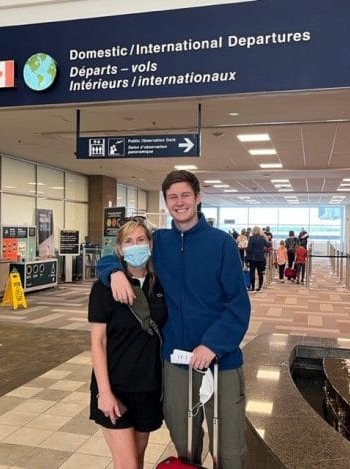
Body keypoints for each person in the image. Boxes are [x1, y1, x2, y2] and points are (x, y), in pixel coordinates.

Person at [97, 170, 251, 469]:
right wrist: (112, 272)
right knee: (185, 443)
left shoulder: (221, 244)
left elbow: (238, 305)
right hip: (177, 362)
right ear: (166, 202)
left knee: (228, 448)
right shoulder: (160, 242)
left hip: (221, 361)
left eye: (185, 195)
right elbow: (117, 253)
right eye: (172, 197)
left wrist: (212, 345)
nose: (179, 202)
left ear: (197, 198)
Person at [89, 220, 167, 469]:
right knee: (128, 464)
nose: (136, 246)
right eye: (129, 241)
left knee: (138, 459)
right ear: (120, 249)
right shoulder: (104, 287)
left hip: (148, 387)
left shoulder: (160, 284)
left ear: (150, 244)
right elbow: (98, 342)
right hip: (115, 387)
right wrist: (105, 392)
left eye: (141, 240)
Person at [245, 226, 271, 292]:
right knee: (260, 273)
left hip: (252, 258)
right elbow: (268, 245)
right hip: (261, 258)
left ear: (253, 231)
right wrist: (266, 237)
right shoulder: (262, 238)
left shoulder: (251, 238)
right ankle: (259, 287)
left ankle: (253, 287)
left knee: (252, 273)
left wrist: (246, 249)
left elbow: (249, 249)